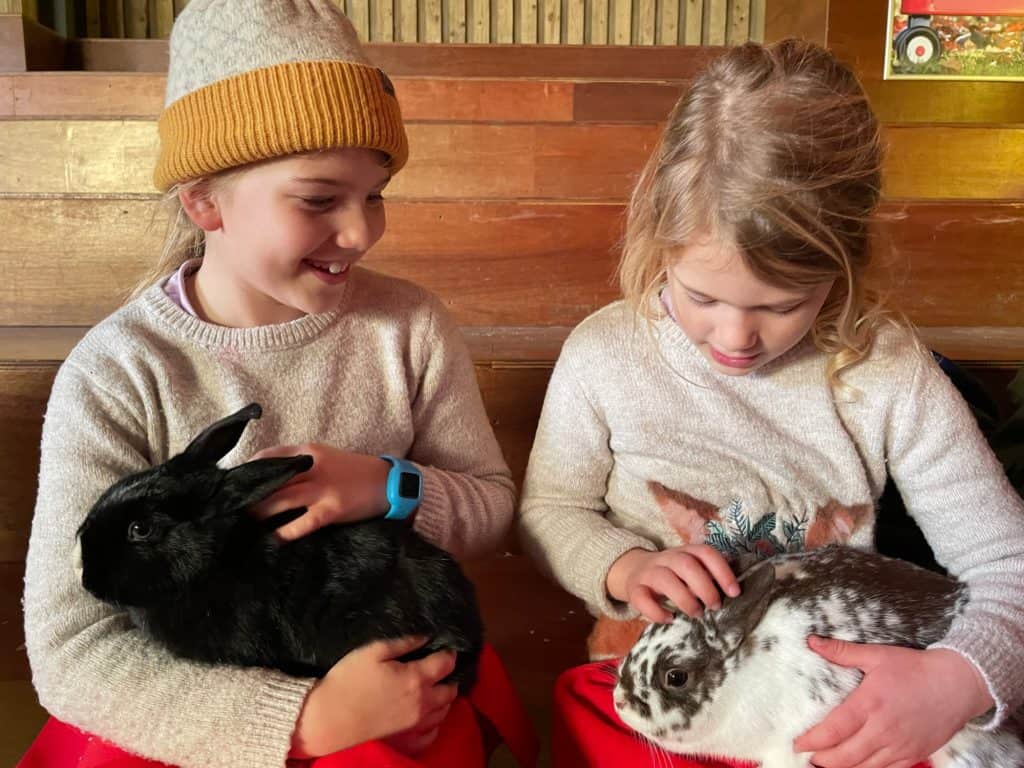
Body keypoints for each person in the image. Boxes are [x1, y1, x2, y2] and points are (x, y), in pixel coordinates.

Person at [18, 2, 530, 766]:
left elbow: (490, 504)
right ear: (204, 200)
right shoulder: (120, 369)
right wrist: (302, 720)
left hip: (383, 672)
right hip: (196, 708)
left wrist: (391, 488)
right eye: (320, 199)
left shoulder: (411, 326)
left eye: (376, 193)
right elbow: (71, 648)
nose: (361, 232)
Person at [519, 38, 1024, 768]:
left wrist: (958, 680)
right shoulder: (604, 352)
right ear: (658, 240)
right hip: (656, 695)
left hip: (826, 701)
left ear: (845, 268)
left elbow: (1007, 559)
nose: (735, 338)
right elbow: (549, 510)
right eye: (700, 296)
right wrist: (624, 567)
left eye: (784, 305)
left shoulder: (884, 371)